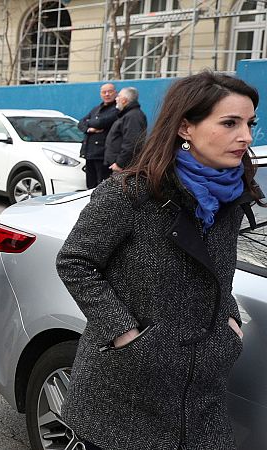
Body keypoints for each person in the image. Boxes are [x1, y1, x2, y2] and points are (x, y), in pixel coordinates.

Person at [56, 72, 259, 450]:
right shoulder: (130, 193)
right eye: (230, 123)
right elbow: (75, 261)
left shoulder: (232, 195)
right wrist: (126, 335)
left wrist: (227, 322)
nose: (246, 136)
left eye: (250, 123)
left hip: (203, 396)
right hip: (125, 393)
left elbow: (217, 273)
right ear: (186, 127)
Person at [78, 83, 118, 188]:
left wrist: (90, 121)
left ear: (115, 93)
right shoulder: (96, 109)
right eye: (104, 92)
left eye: (110, 91)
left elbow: (101, 122)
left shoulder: (116, 109)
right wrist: (89, 129)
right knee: (90, 185)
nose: (107, 94)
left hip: (102, 154)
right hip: (89, 153)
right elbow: (81, 123)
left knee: (101, 185)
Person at [105, 87, 147, 173]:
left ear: (124, 100)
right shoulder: (128, 115)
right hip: (119, 166)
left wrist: (120, 163)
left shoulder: (133, 116)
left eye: (118, 96)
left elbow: (132, 142)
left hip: (123, 168)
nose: (116, 99)